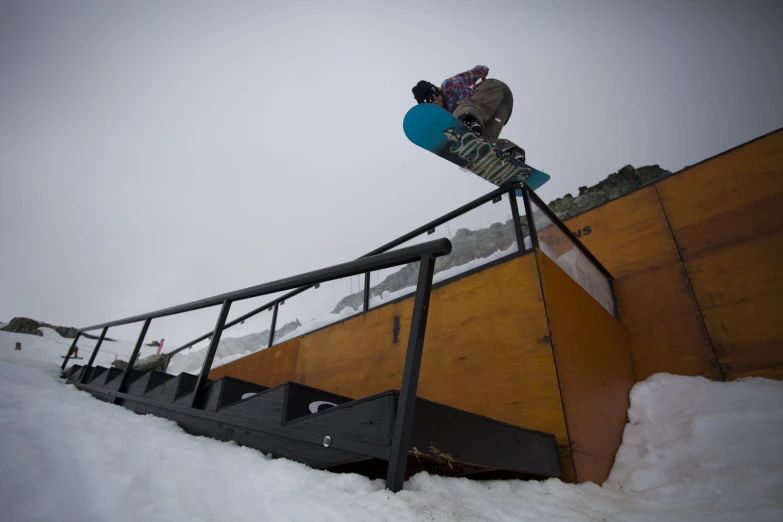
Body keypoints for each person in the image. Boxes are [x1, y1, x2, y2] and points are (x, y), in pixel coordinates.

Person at [412, 65, 524, 162]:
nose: (435, 100)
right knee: (482, 144)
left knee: (462, 111)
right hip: (503, 105)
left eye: (435, 94)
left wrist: (482, 70)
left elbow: (470, 75)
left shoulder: (448, 86)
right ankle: (510, 154)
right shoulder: (443, 115)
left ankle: (469, 120)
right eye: (430, 100)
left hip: (492, 89)